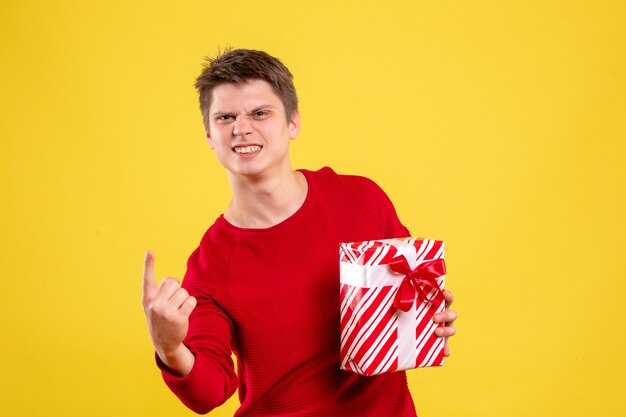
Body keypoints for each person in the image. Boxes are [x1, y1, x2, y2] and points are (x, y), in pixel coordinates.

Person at [141, 49, 457, 416]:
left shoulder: (362, 200)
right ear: (209, 136)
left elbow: (412, 286)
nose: (241, 128)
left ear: (292, 122)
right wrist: (170, 348)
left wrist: (429, 314)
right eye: (225, 117)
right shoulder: (211, 265)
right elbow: (209, 393)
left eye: (259, 113)